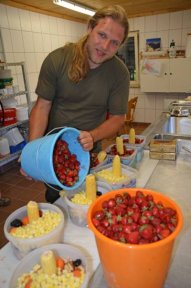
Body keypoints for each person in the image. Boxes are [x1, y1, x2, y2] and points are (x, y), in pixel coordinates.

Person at [22, 5, 130, 203]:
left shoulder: (119, 73)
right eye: (102, 35)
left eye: (114, 43)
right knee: (57, 201)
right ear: (90, 28)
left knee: (90, 202)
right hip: (53, 151)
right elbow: (42, 107)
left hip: (89, 153)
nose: (105, 47)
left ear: (121, 45)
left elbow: (118, 118)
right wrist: (32, 152)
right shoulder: (58, 59)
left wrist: (93, 136)